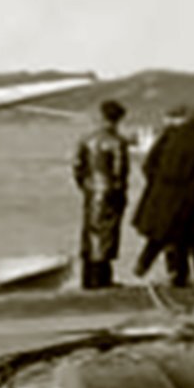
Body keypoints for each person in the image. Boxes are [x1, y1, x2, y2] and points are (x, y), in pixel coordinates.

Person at [132, 106, 194, 285]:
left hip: (161, 192)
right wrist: (193, 191)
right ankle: (177, 275)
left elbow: (148, 164)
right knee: (181, 237)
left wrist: (156, 183)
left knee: (161, 233)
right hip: (185, 194)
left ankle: (145, 263)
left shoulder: (169, 136)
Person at [72, 102, 131, 290]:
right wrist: (119, 190)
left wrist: (85, 185)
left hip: (91, 189)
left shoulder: (86, 139)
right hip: (110, 191)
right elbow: (120, 171)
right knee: (107, 235)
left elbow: (77, 166)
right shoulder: (117, 142)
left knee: (89, 233)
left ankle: (88, 277)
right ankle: (102, 278)